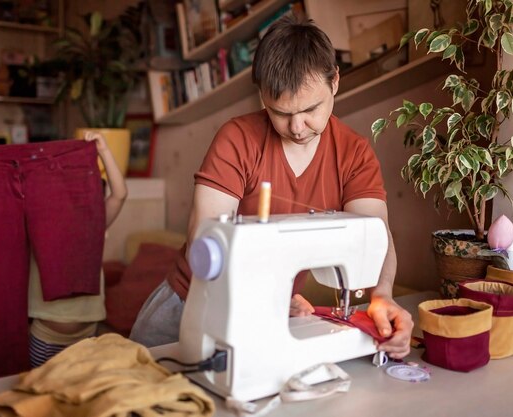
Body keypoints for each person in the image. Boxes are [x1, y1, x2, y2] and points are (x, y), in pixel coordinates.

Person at [130, 14, 413, 359]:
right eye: (279, 112)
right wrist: (269, 297)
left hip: (271, 317)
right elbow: (204, 244)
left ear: (335, 81)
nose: (296, 127)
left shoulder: (353, 154)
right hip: (187, 307)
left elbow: (375, 234)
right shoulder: (236, 140)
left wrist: (382, 294)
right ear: (262, 94)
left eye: (310, 109)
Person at [0, 132, 127, 368]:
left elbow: (120, 195)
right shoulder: (39, 226)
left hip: (87, 336)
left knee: (76, 396)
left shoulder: (95, 225)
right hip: (46, 338)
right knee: (38, 394)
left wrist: (104, 152)